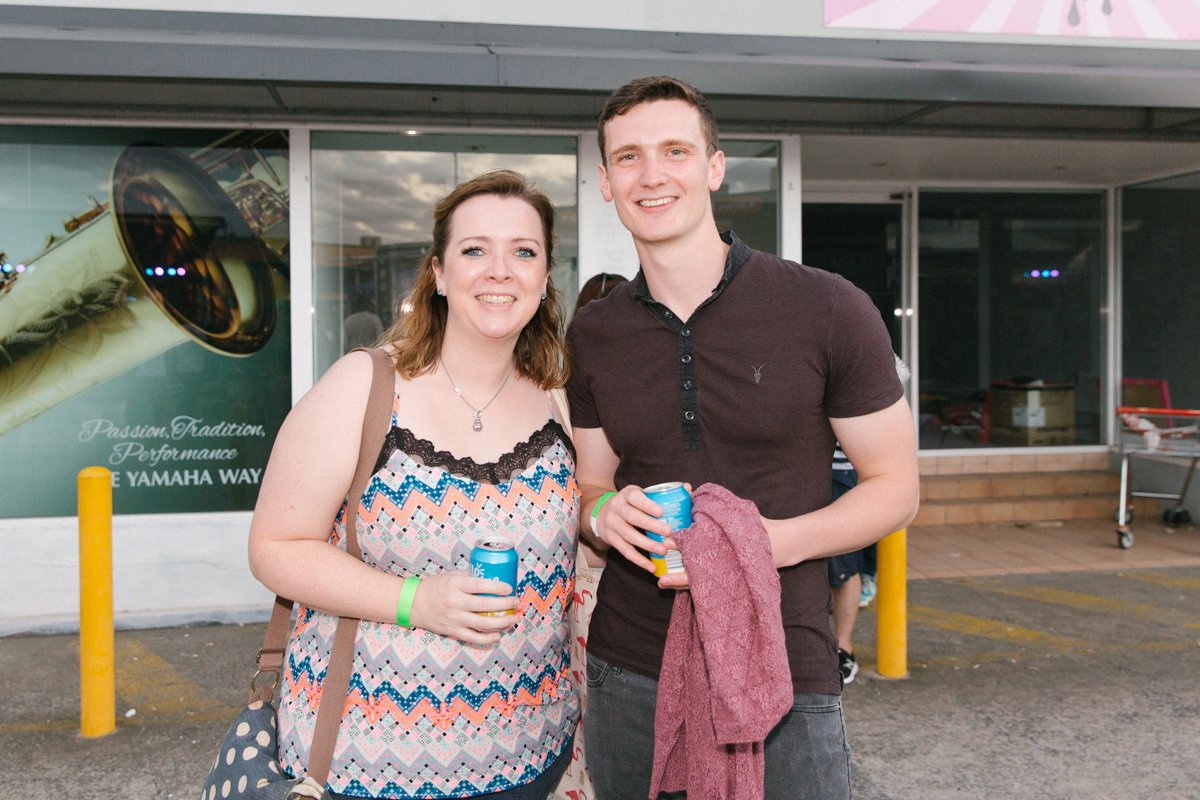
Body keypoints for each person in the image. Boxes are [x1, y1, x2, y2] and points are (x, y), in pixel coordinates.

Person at [566, 76, 920, 800]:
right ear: (605, 182)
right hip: (630, 666)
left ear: (714, 167)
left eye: (674, 150)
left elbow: (896, 487)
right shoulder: (595, 332)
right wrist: (602, 514)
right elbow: (590, 486)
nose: (653, 174)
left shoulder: (826, 307)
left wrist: (766, 543)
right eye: (628, 157)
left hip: (786, 662)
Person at [248, 170, 580, 800]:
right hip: (369, 762)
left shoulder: (558, 398)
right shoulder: (365, 386)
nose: (500, 270)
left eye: (524, 251)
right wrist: (415, 602)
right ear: (439, 272)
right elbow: (276, 546)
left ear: (543, 277)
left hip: (531, 753)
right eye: (475, 250)